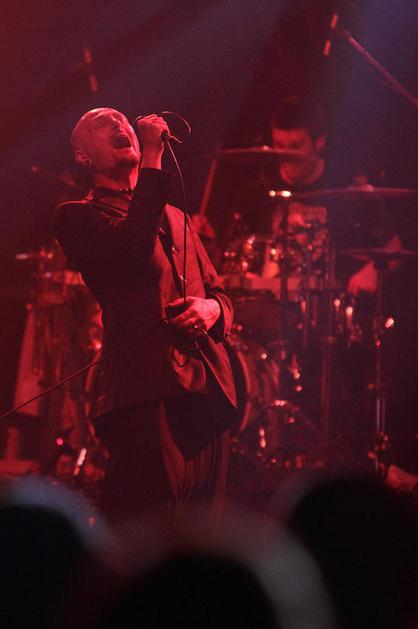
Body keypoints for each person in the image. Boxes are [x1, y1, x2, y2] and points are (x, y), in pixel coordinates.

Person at [53, 108, 237, 525]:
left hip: (206, 391)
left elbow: (221, 294)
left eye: (122, 120)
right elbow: (133, 249)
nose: (120, 125)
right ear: (83, 157)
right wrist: (153, 157)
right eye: (103, 123)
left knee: (200, 534)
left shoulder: (177, 217)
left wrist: (211, 309)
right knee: (146, 531)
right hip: (146, 393)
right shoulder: (77, 216)